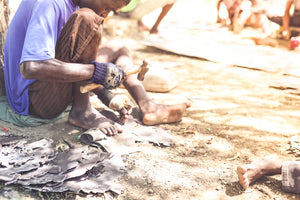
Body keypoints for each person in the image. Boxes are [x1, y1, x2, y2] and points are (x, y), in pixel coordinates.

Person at [4, 0, 190, 136]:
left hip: (48, 87)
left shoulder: (72, 4)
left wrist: (106, 94)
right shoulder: (50, 3)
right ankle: (82, 111)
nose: (105, 15)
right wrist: (97, 72)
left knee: (116, 46)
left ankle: (148, 106)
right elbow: (32, 67)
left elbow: (73, 59)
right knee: (88, 19)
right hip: (33, 101)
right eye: (108, 8)